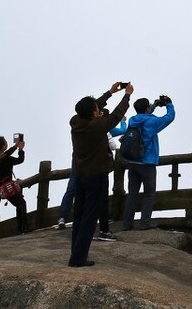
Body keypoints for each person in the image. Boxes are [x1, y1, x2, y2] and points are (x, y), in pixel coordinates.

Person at [68, 81, 132, 267]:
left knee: (79, 216)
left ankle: (75, 254)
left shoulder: (75, 122)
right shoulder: (96, 126)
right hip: (96, 176)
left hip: (80, 176)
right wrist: (126, 96)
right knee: (90, 217)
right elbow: (116, 116)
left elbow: (89, 109)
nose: (98, 110)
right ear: (94, 113)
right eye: (96, 109)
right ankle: (78, 259)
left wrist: (110, 93)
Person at [109, 94, 175, 230]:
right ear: (147, 109)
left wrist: (154, 106)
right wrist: (169, 104)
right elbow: (169, 117)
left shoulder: (133, 120)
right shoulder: (152, 122)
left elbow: (143, 115)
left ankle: (127, 224)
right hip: (147, 163)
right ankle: (145, 223)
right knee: (149, 194)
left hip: (132, 162)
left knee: (132, 194)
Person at [0, 135, 27, 240]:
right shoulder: (6, 158)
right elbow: (20, 160)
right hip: (7, 187)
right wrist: (21, 150)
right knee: (21, 204)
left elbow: (6, 154)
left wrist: (15, 146)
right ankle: (22, 228)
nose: (7, 144)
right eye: (5, 143)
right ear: (2, 146)